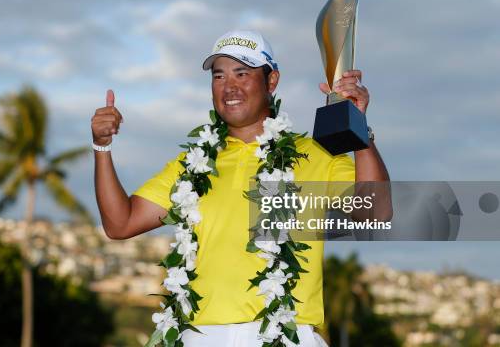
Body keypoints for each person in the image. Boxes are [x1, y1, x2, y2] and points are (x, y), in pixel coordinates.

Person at [91, 30, 390, 346]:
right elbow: (119, 223)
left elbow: (376, 211)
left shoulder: (313, 154)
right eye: (218, 75)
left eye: (242, 73)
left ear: (271, 81)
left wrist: (358, 127)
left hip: (285, 338)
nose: (229, 86)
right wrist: (102, 147)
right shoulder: (191, 164)